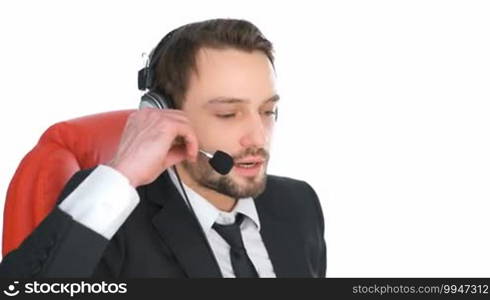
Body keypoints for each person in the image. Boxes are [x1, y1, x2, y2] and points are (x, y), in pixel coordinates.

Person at [0, 18, 326, 278]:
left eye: (268, 111)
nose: (258, 137)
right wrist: (122, 173)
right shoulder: (114, 219)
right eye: (228, 114)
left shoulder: (299, 205)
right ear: (161, 112)